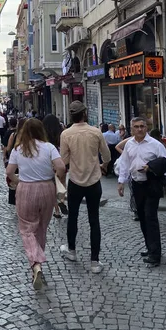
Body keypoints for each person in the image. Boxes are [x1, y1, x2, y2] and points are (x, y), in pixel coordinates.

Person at [6, 119, 66, 290]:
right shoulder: (49, 147)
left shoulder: (19, 149)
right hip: (47, 188)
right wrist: (56, 178)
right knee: (41, 228)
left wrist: (18, 182)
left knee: (26, 229)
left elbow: (9, 172)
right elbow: (61, 167)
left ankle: (36, 264)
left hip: (26, 189)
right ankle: (37, 265)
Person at [59, 101, 111, 274]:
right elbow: (107, 155)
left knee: (72, 217)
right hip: (94, 182)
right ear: (85, 113)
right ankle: (95, 261)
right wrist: (103, 165)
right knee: (94, 220)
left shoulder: (66, 134)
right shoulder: (96, 132)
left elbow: (64, 161)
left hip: (75, 181)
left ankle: (72, 250)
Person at [117, 117, 166, 267]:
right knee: (142, 216)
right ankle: (150, 247)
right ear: (131, 129)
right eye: (136, 127)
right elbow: (125, 163)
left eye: (142, 126)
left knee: (150, 217)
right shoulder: (129, 144)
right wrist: (121, 182)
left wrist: (151, 167)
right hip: (137, 184)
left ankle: (155, 254)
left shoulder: (155, 145)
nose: (140, 129)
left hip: (152, 185)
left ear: (146, 127)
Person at [43, 114, 68, 218]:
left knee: (53, 186)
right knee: (62, 182)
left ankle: (57, 211)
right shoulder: (61, 132)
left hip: (51, 160)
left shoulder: (44, 134)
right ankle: (62, 200)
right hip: (61, 159)